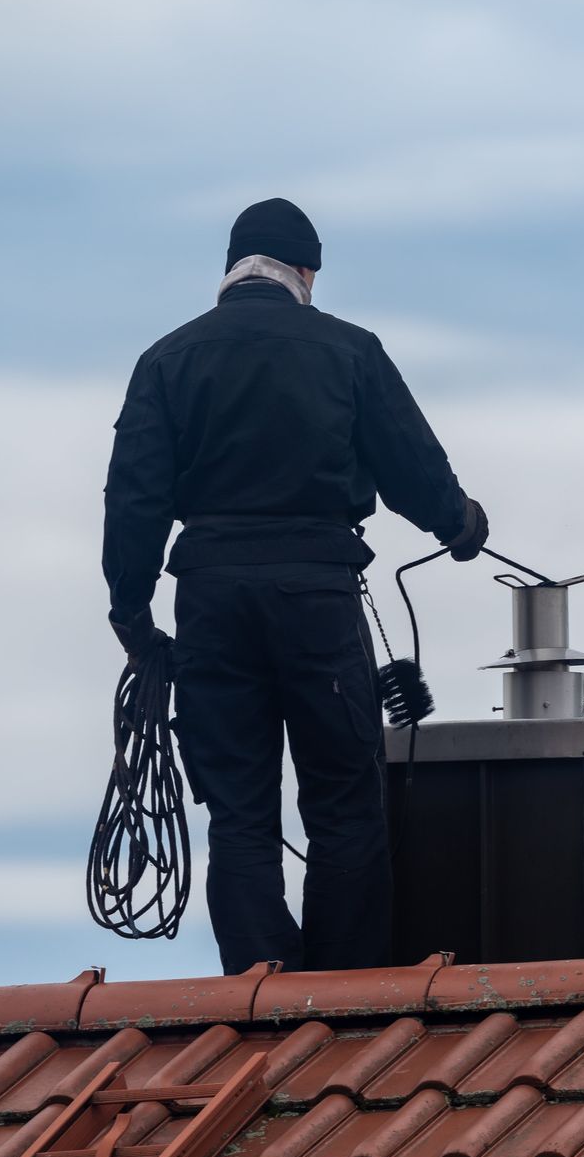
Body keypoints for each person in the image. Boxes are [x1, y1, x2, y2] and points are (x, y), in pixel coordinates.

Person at [101, 197, 488, 974]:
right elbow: (410, 461)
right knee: (345, 805)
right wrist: (459, 522)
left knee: (238, 813)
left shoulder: (167, 360)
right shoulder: (349, 350)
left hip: (210, 600)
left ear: (231, 272)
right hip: (317, 594)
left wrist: (134, 618)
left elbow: (134, 499)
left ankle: (260, 995)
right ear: (305, 271)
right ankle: (339, 1002)